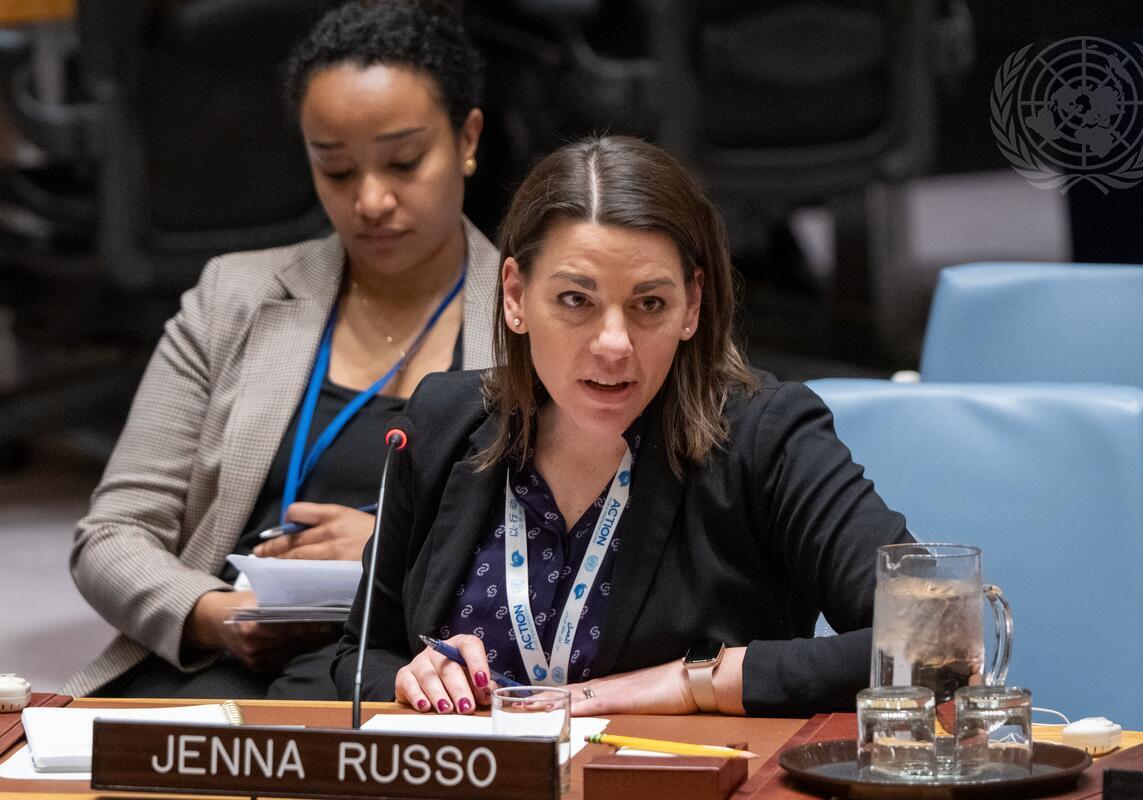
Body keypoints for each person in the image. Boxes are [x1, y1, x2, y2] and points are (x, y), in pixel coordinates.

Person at [332, 135, 914, 717]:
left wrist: (696, 682)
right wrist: (414, 678)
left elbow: (930, 639)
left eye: (649, 304)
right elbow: (363, 654)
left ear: (692, 305)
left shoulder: (767, 436)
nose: (614, 344)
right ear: (515, 295)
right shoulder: (440, 421)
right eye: (575, 300)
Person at [66, 0, 495, 700]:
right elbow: (113, 533)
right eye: (336, 170)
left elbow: (579, 564)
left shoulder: (530, 321)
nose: (371, 200)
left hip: (410, 674)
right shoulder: (234, 297)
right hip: (216, 660)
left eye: (404, 162)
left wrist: (391, 552)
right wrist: (214, 615)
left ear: (468, 139)